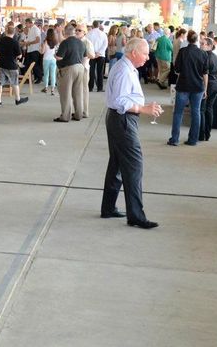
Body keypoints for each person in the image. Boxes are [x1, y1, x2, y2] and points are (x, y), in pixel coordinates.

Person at [101, 38, 163, 229]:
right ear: (134, 52)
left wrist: (143, 107)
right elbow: (121, 102)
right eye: (145, 53)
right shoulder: (123, 71)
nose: (147, 57)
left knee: (117, 164)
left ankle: (108, 207)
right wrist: (143, 109)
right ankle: (136, 215)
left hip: (120, 120)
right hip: (123, 120)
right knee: (134, 166)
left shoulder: (126, 68)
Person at [168, 30, 208, 146]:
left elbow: (177, 70)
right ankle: (193, 139)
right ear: (197, 40)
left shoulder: (182, 52)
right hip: (198, 86)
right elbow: (205, 74)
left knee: (178, 112)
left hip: (183, 85)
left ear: (188, 39)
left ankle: (174, 139)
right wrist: (205, 89)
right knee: (196, 112)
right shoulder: (203, 54)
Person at [54, 24, 90, 122]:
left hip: (68, 69)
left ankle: (65, 116)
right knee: (78, 93)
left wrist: (54, 55)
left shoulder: (65, 43)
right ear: (74, 32)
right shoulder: (81, 42)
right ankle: (78, 114)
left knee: (66, 93)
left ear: (65, 32)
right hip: (80, 67)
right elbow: (85, 56)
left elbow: (59, 57)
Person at [0, 23, 28, 108]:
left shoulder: (0, 40)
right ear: (14, 33)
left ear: (6, 31)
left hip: (1, 64)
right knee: (14, 82)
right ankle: (18, 99)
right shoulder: (15, 42)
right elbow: (20, 55)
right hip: (12, 65)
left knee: (0, 83)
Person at [200, 36, 217, 142]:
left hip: (209, 85)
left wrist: (205, 88)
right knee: (209, 109)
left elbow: (205, 74)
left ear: (209, 46)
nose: (201, 45)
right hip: (215, 84)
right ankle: (207, 134)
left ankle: (202, 134)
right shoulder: (215, 57)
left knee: (203, 110)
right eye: (200, 43)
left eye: (203, 44)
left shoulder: (205, 57)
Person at [87, 21, 108, 92]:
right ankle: (100, 88)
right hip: (101, 54)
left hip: (91, 54)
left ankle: (90, 87)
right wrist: (99, 52)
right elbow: (105, 44)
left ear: (92, 25)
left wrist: (93, 53)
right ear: (99, 25)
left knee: (91, 71)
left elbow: (87, 44)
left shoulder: (89, 33)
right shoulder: (103, 34)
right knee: (100, 71)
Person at [41, 27, 59, 94]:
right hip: (53, 60)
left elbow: (42, 52)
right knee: (53, 74)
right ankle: (52, 90)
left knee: (46, 74)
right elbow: (56, 51)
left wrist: (41, 48)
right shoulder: (55, 42)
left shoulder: (45, 41)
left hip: (46, 59)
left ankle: (45, 88)